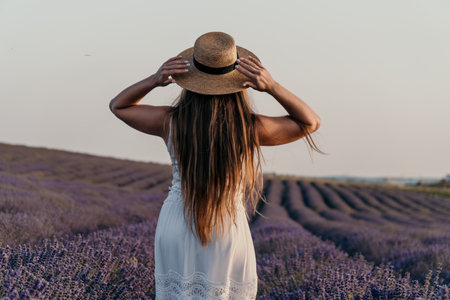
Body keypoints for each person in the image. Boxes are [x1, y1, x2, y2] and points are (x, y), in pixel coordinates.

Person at [109, 32, 322, 299]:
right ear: (238, 84)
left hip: (177, 222)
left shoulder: (169, 121)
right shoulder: (250, 127)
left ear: (190, 80)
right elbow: (310, 122)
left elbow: (119, 106)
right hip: (226, 224)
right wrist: (272, 86)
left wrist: (155, 80)